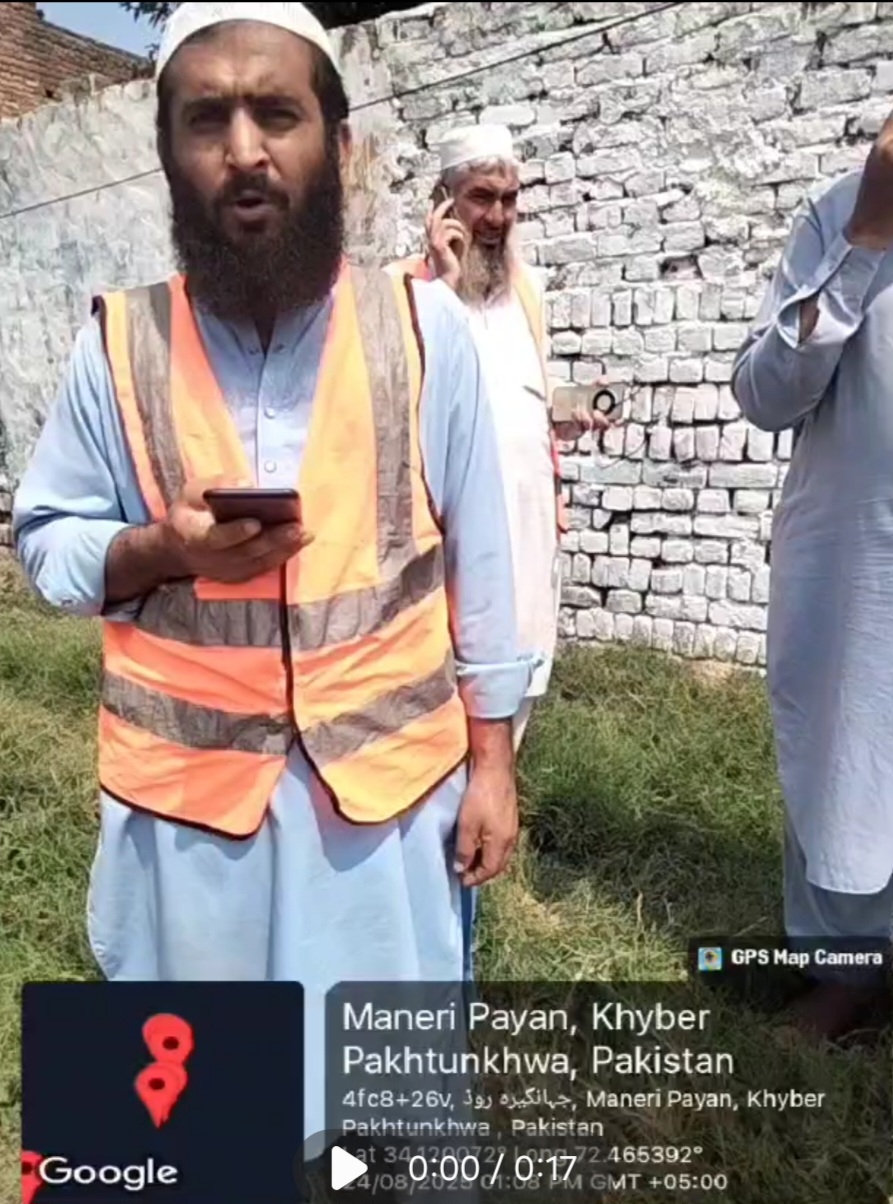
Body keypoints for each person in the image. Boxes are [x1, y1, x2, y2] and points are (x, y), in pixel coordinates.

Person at [12, 1, 532, 1139]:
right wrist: (159, 550)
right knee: (193, 1122)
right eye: (207, 120)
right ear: (168, 152)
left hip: (384, 816)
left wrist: (492, 766)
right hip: (190, 823)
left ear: (336, 145)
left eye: (276, 115)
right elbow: (46, 539)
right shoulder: (116, 344)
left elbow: (486, 568)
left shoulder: (424, 334)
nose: (243, 150)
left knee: (386, 1116)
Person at [732, 111, 893, 1041]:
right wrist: (866, 234)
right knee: (847, 753)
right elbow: (764, 394)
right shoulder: (838, 212)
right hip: (857, 556)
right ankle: (846, 971)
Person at [387, 124, 611, 751]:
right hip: (450, 543)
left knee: (514, 705)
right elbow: (407, 408)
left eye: (509, 199)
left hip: (529, 532)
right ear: (443, 201)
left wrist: (564, 414)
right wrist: (445, 284)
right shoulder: (404, 291)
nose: (498, 216)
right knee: (440, 710)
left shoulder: (527, 289)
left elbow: (518, 401)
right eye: (482, 197)